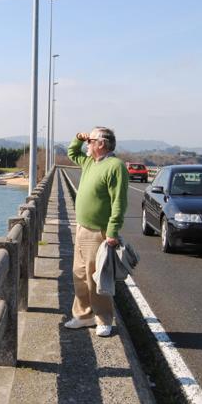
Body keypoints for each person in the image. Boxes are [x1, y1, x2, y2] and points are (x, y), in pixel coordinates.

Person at [64, 127, 129, 337]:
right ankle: (84, 316)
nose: (87, 144)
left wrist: (112, 232)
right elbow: (72, 153)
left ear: (101, 144)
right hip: (82, 227)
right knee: (80, 275)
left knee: (97, 277)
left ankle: (103, 319)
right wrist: (78, 138)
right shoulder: (90, 162)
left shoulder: (115, 166)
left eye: (90, 140)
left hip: (98, 232)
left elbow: (119, 202)